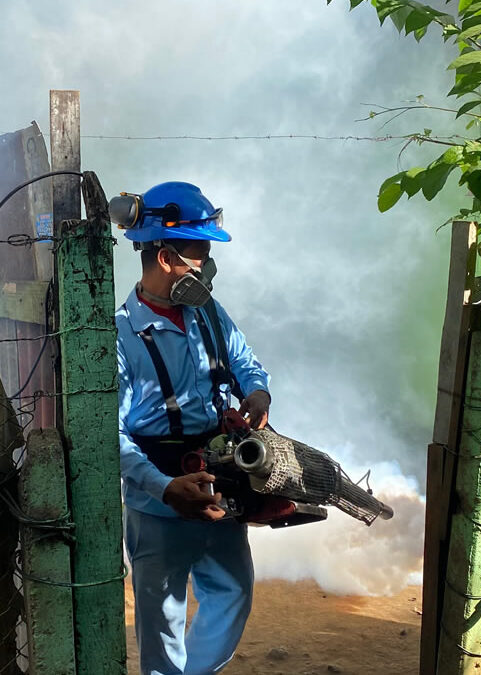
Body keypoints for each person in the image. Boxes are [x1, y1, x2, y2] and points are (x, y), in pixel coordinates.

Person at [111, 181, 272, 675]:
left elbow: (248, 365)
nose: (207, 264)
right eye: (199, 252)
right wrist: (163, 489)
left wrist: (257, 394)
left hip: (219, 487)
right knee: (162, 621)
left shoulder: (208, 314)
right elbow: (108, 435)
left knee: (233, 594)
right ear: (165, 257)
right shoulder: (118, 335)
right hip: (157, 500)